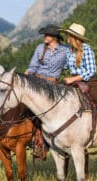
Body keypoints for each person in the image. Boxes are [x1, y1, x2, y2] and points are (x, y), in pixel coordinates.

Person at [59, 23, 97, 145]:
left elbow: (91, 70)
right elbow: (65, 66)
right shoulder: (68, 50)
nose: (67, 37)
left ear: (74, 37)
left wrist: (73, 79)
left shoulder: (86, 49)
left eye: (68, 35)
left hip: (90, 81)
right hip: (73, 81)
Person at [25, 24, 68, 159]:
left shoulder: (65, 50)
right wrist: (25, 75)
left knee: (46, 112)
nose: (44, 37)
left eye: (47, 35)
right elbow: (33, 67)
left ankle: (44, 143)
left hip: (52, 84)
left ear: (54, 37)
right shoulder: (40, 48)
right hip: (36, 81)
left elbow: (70, 65)